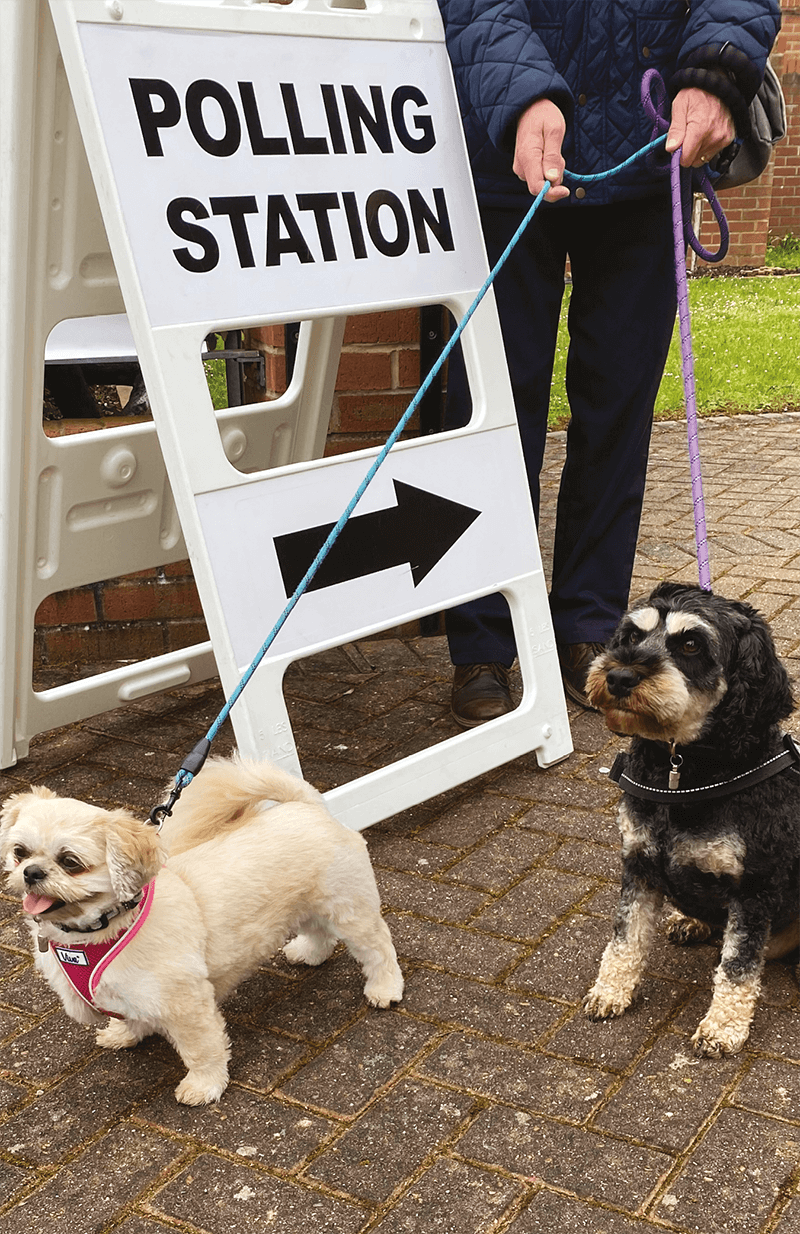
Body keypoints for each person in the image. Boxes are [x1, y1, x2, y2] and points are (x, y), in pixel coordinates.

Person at [438, 0, 781, 726]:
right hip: (500, 153)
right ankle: (482, 638)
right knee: (488, 410)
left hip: (648, 156)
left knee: (618, 408)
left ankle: (589, 623)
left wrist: (716, 69)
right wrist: (522, 87)